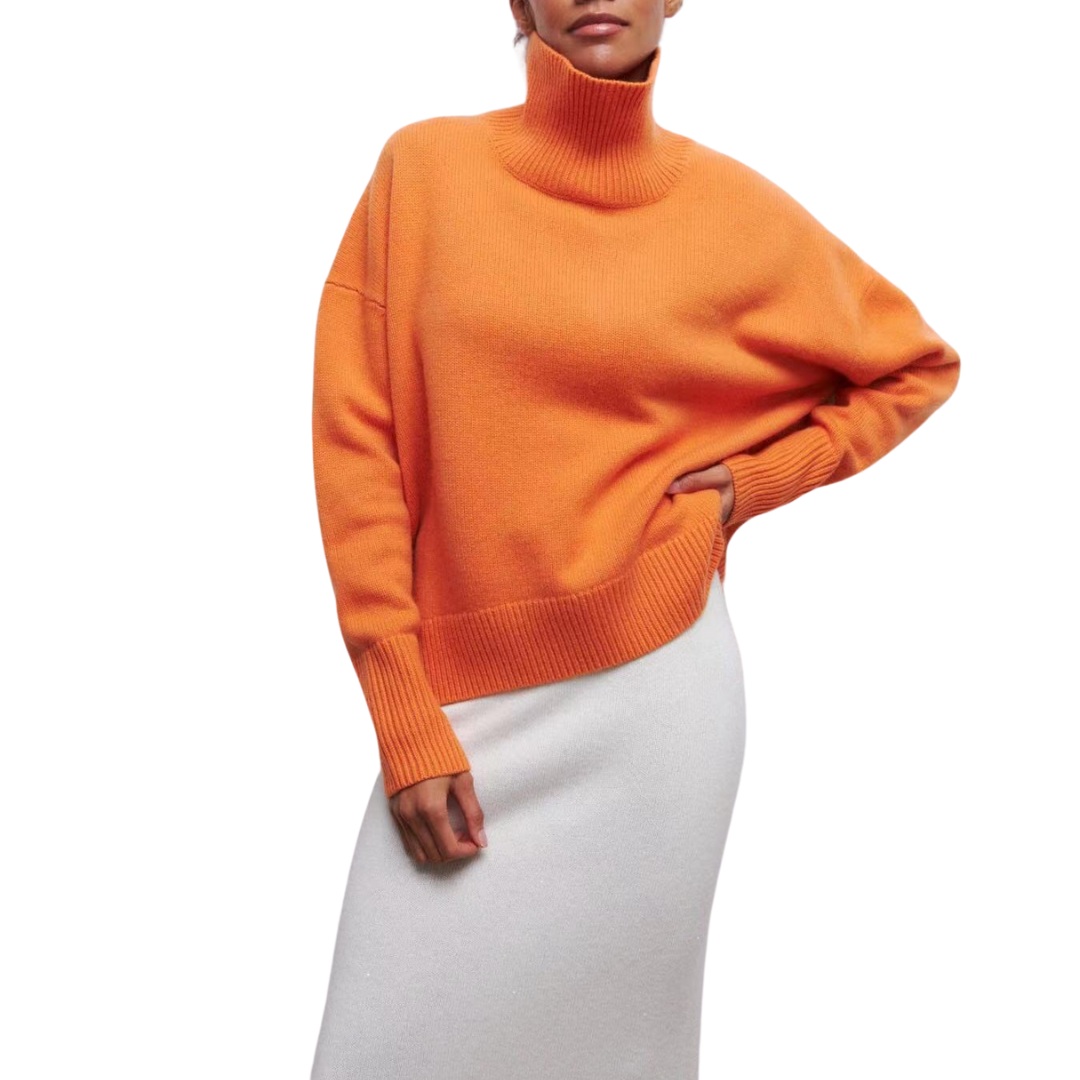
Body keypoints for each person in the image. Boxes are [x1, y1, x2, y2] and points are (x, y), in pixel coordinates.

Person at [308, 2, 961, 1077]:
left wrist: (753, 483)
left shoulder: (731, 211)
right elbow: (357, 450)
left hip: (655, 703)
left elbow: (915, 365)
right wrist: (404, 715)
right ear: (519, 3)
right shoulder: (424, 172)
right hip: (459, 700)